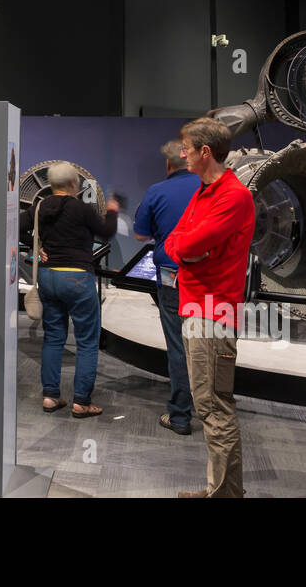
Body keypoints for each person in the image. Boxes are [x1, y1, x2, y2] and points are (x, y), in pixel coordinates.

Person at [163, 117, 255, 498]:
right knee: (209, 406)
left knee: (214, 409)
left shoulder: (233, 196)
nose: (181, 153)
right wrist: (191, 251)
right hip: (197, 308)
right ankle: (219, 488)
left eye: (186, 148)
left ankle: (226, 494)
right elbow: (174, 244)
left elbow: (182, 246)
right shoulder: (205, 192)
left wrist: (190, 250)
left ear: (205, 152)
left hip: (211, 313)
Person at [19, 162, 119, 418]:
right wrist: (113, 210)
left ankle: (51, 396)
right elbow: (106, 233)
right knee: (87, 341)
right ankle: (81, 401)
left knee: (53, 337)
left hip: (49, 276)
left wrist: (35, 245)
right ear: (75, 183)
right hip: (77, 278)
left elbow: (16, 227)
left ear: (50, 184)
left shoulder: (39, 207)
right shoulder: (82, 209)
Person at [134, 139, 201, 436]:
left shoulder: (156, 192)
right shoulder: (212, 190)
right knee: (209, 342)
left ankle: (180, 415)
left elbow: (139, 234)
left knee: (178, 346)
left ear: (168, 164)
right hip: (210, 279)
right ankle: (213, 409)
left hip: (173, 277)